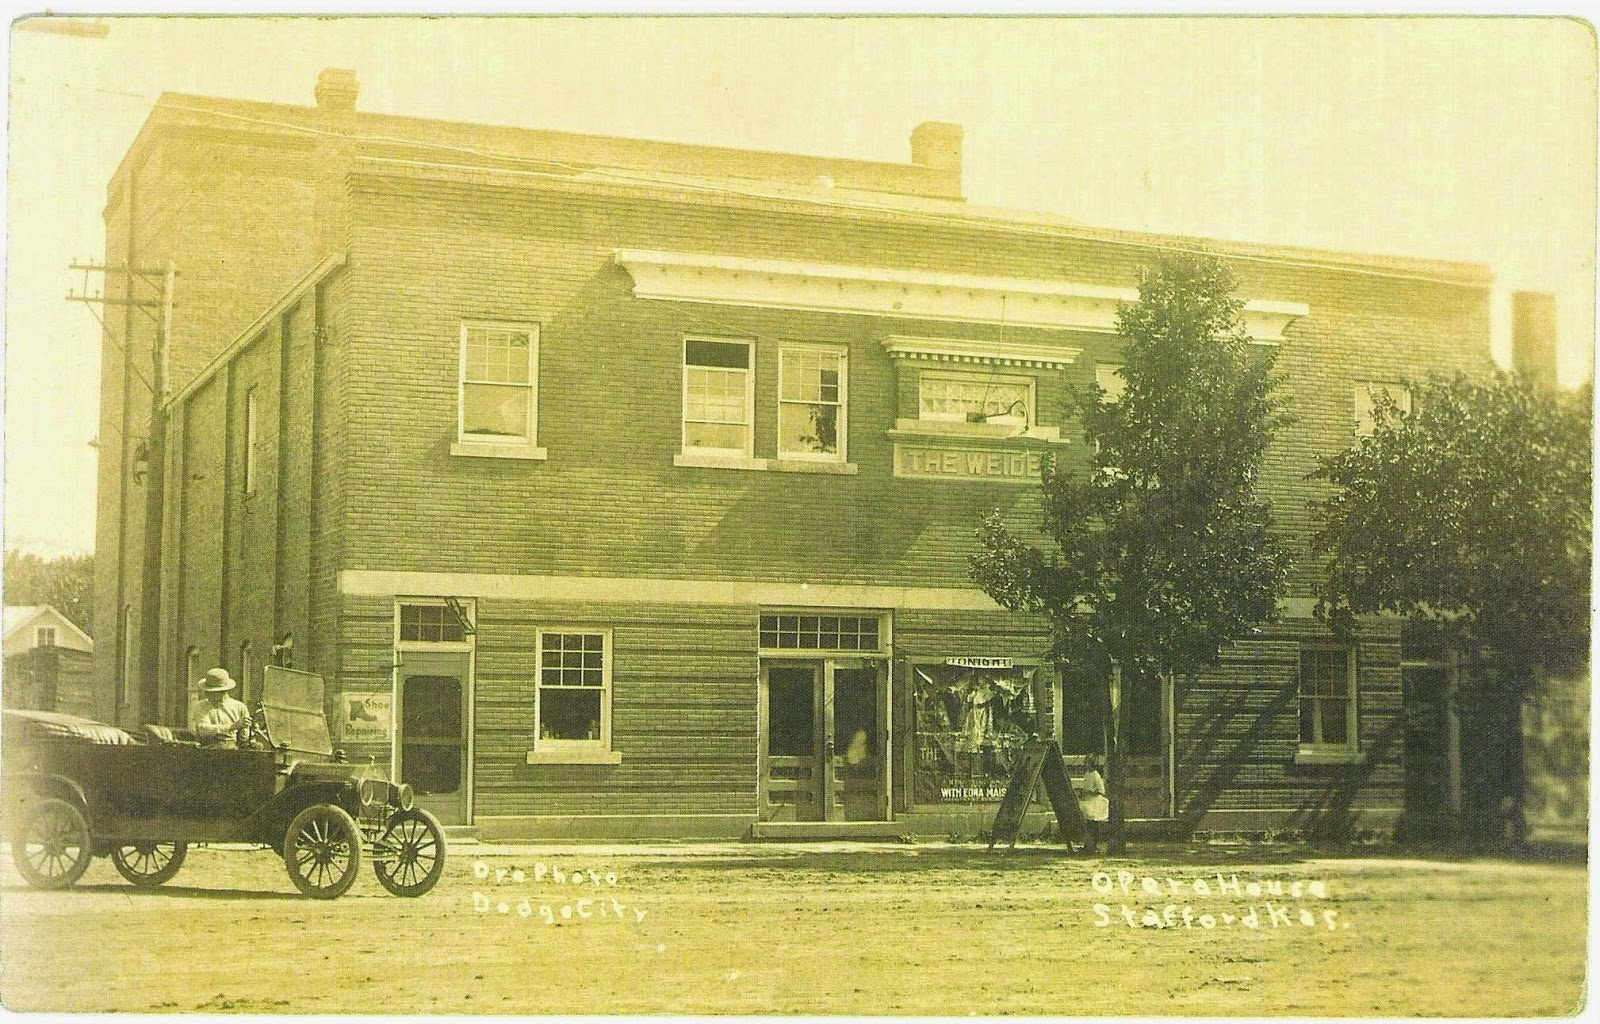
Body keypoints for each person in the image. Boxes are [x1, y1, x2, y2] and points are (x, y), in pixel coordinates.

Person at [194, 668, 251, 748]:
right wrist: (232, 726)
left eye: (212, 692)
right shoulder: (201, 706)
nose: (207, 694)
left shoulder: (239, 707)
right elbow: (203, 729)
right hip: (208, 749)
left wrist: (248, 729)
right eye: (207, 691)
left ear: (223, 691)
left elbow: (244, 737)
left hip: (233, 748)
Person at [1075, 754, 1110, 854]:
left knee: (1093, 825)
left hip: (1094, 801)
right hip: (1087, 800)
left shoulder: (1095, 775)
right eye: (1086, 762)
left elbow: (1101, 791)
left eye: (1088, 763)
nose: (1086, 765)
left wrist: (1090, 792)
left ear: (1093, 764)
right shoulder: (1087, 774)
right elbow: (1085, 787)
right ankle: (1088, 845)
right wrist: (1082, 793)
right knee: (1088, 824)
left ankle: (1093, 846)